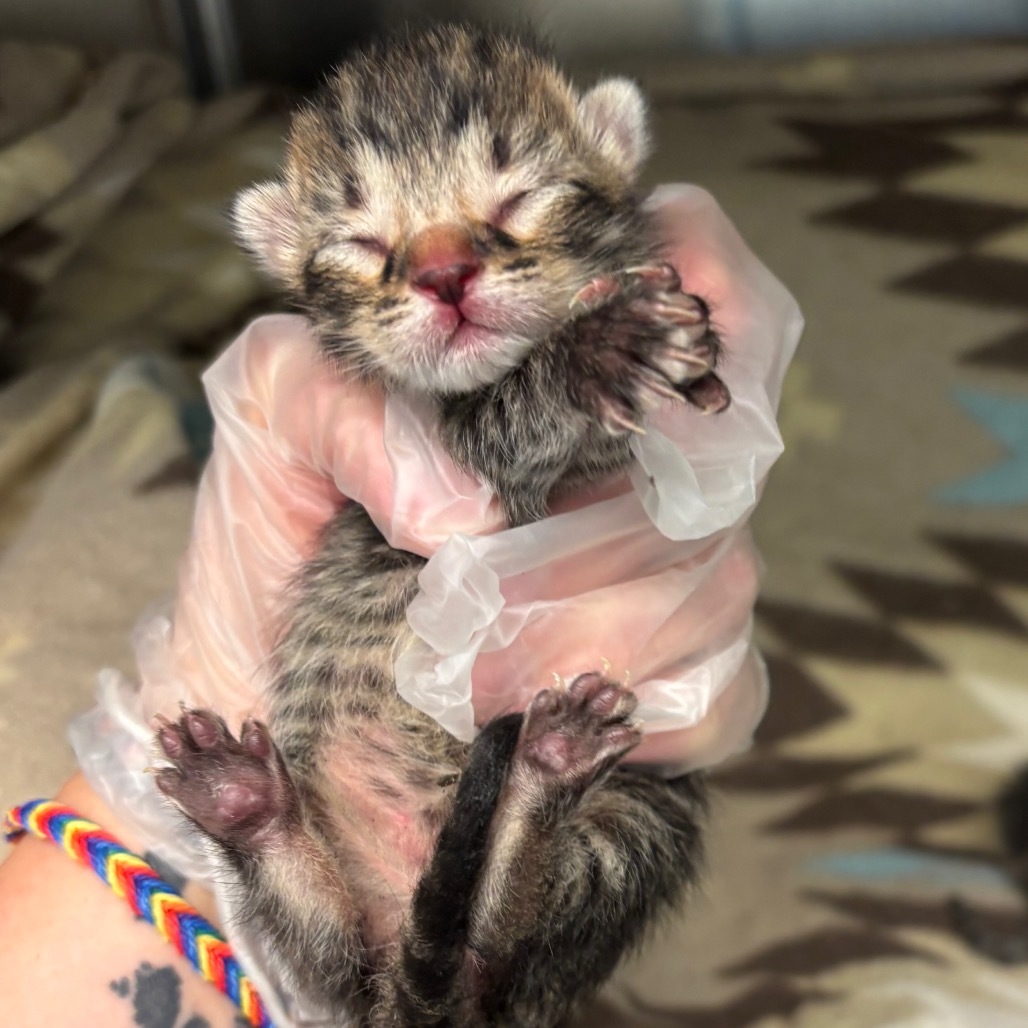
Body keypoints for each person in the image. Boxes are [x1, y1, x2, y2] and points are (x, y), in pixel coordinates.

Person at [0, 185, 800, 1027]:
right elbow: (507, 449)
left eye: (514, 206)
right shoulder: (383, 379)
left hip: (334, 891)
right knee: (498, 931)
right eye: (369, 245)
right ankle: (525, 805)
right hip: (409, 855)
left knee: (591, 855)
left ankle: (274, 834)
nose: (442, 263)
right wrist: (605, 366)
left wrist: (143, 819)